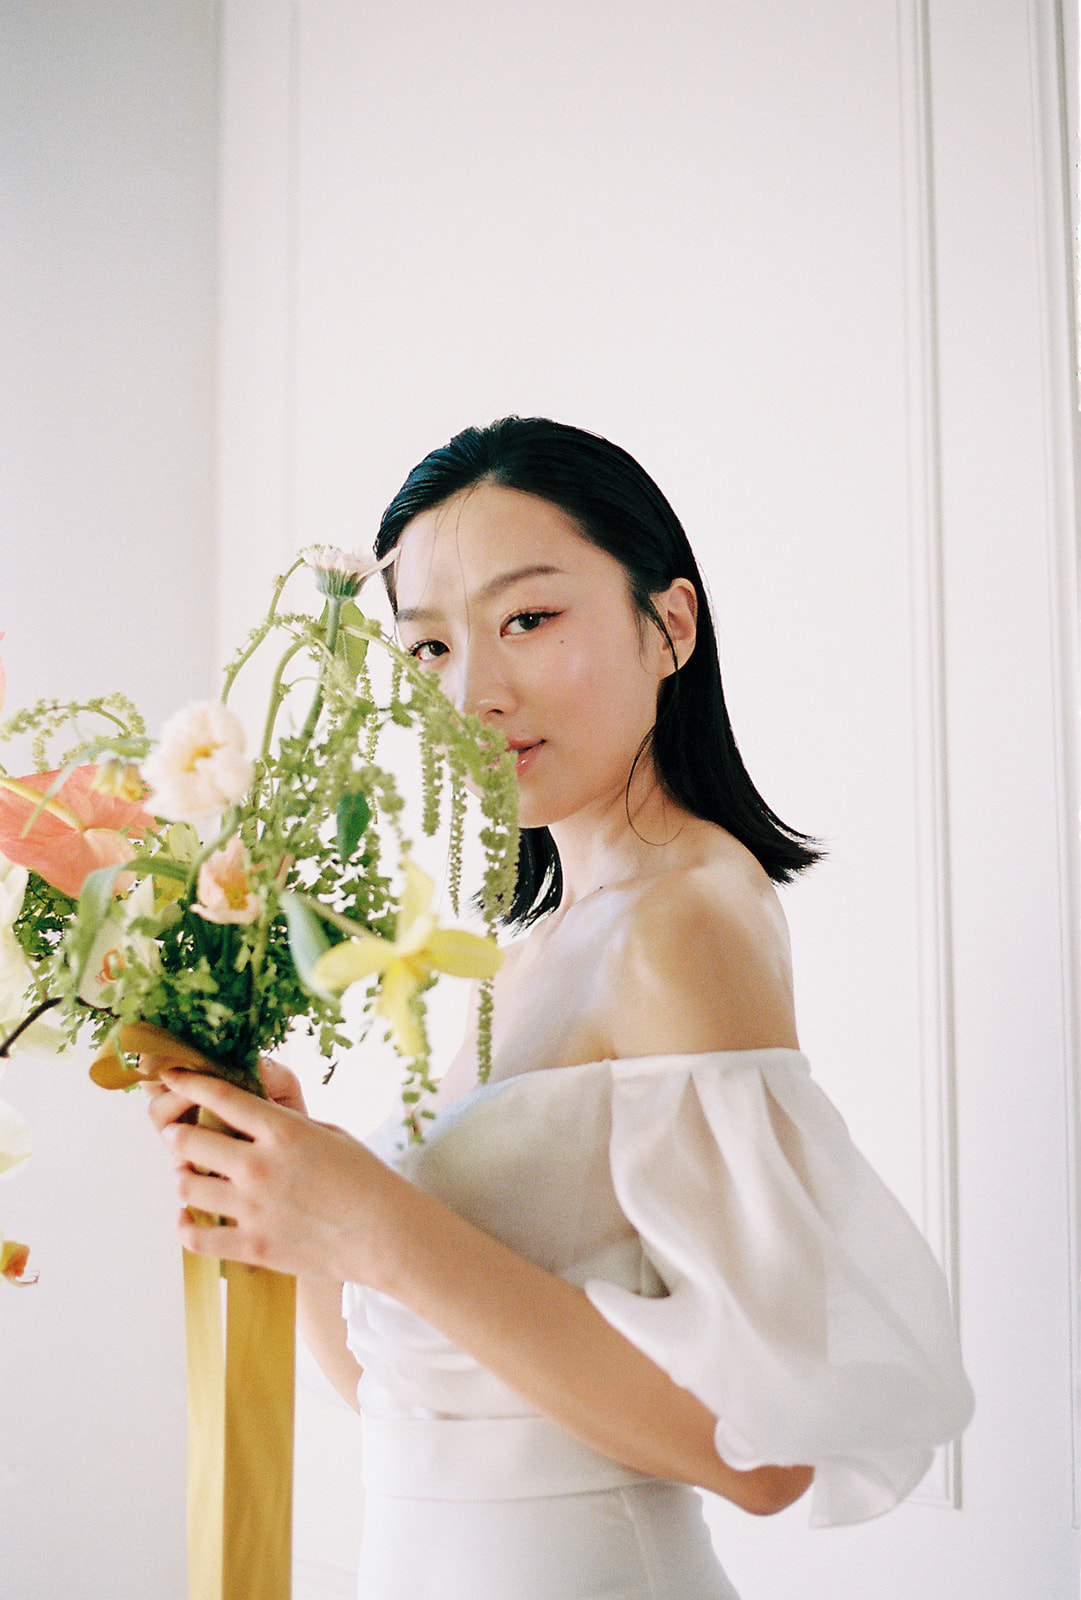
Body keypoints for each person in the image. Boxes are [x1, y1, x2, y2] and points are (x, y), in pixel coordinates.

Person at [146, 417, 974, 1600]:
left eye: (527, 619)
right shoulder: (530, 951)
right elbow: (415, 1396)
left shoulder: (686, 917)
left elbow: (765, 1456)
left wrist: (374, 1217)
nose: (476, 690)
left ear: (669, 625)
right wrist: (295, 1190)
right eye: (428, 647)